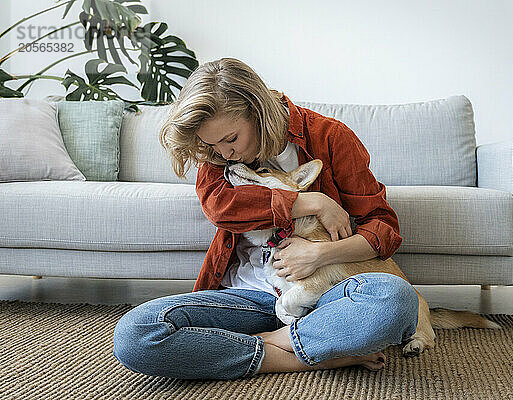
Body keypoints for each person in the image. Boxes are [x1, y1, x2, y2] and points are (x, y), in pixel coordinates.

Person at [112, 57, 419, 380]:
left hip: (324, 296)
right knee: (136, 334)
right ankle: (306, 354)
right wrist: (307, 201)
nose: (225, 154)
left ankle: (269, 342)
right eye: (211, 145)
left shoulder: (330, 136)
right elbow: (221, 206)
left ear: (258, 113)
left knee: (396, 297)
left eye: (231, 139)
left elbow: (383, 228)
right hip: (249, 297)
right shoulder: (217, 152)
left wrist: (318, 254)